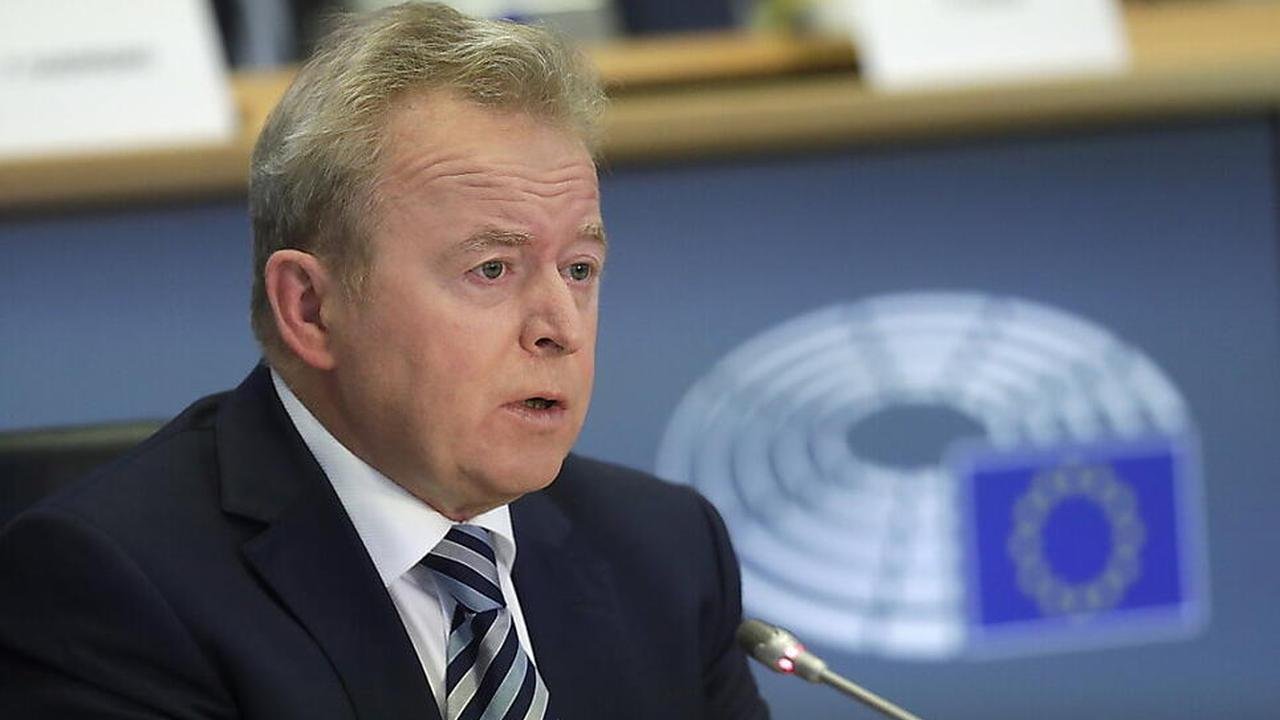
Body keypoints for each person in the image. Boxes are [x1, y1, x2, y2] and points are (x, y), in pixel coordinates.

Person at [0, 4, 769, 719]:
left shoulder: (668, 554)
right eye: (492, 269)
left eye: (578, 269)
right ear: (311, 308)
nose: (560, 329)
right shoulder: (111, 587)